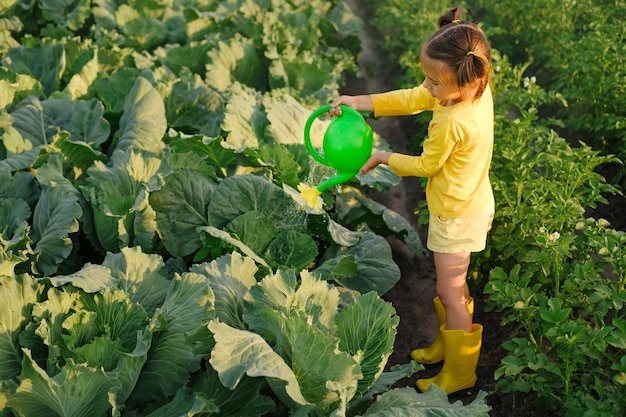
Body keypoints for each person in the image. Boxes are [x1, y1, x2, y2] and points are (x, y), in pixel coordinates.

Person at [329, 6, 494, 395]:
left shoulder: (454, 122)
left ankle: (460, 373)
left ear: (463, 80)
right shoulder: (472, 88)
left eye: (434, 83)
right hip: (469, 202)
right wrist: (361, 101)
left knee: (450, 289)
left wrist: (384, 157)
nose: (427, 87)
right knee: (451, 288)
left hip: (456, 214)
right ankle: (446, 345)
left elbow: (426, 164)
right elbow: (413, 97)